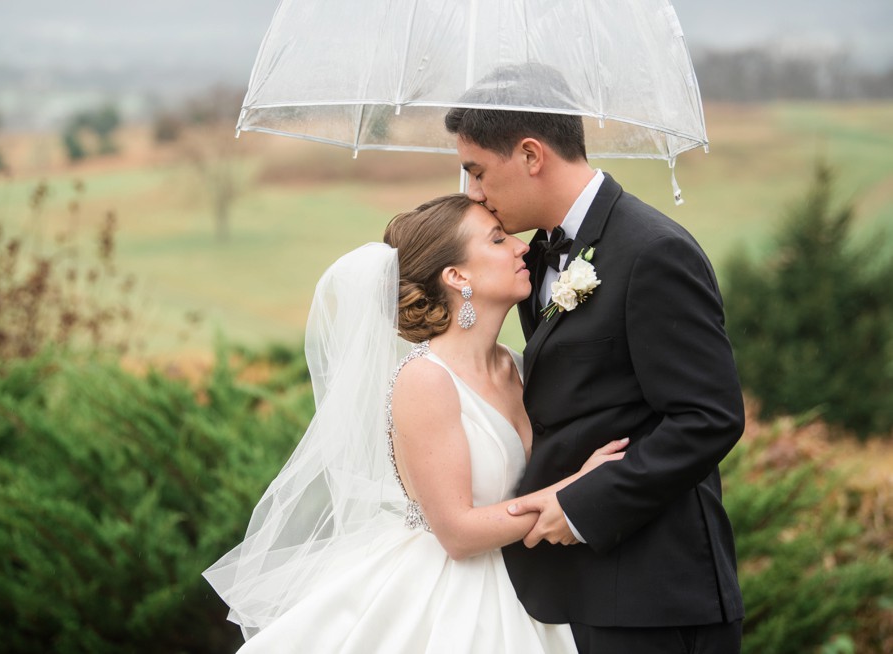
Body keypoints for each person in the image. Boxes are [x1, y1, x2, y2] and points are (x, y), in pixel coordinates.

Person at [203, 193, 629, 653]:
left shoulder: (519, 366)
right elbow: (458, 533)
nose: (522, 247)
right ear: (457, 276)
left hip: (533, 583)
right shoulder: (425, 380)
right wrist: (577, 491)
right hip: (454, 599)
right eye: (498, 238)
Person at [444, 66, 746, 654]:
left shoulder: (655, 252)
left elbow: (708, 417)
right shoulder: (533, 261)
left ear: (531, 154)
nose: (473, 192)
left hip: (657, 598)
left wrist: (580, 506)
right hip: (574, 593)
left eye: (477, 171)